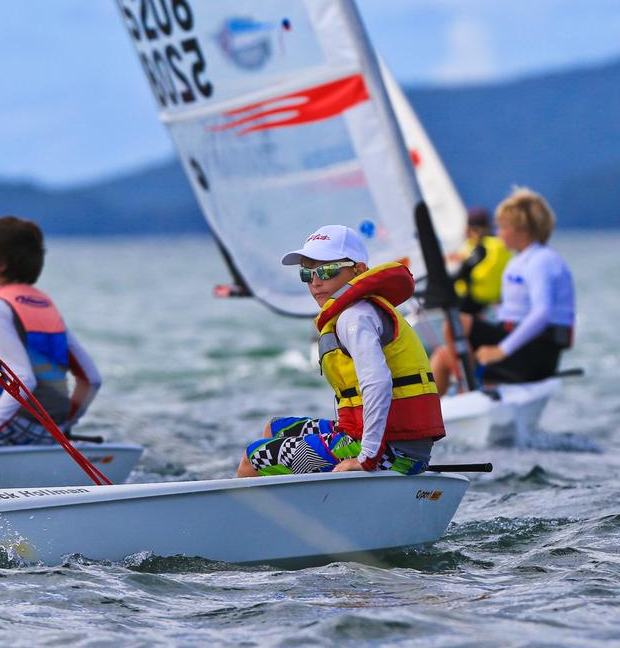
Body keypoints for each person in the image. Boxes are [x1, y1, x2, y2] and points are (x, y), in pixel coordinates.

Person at [236, 225, 444, 478]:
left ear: (359, 271)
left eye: (326, 270)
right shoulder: (357, 311)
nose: (315, 281)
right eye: (307, 273)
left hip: (392, 450)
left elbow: (377, 384)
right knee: (275, 428)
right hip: (385, 440)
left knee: (253, 458)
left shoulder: (356, 316)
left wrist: (366, 458)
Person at [0, 216, 101, 463]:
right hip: (53, 428)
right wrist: (64, 425)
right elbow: (91, 379)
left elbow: (24, 379)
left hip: (19, 428)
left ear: (2, 264)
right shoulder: (47, 306)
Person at [431, 188, 574, 393]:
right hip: (522, 351)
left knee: (456, 322)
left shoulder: (542, 260)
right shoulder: (519, 261)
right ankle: (441, 415)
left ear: (522, 230)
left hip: (537, 357)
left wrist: (500, 350)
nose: (497, 234)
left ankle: (468, 389)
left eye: (503, 227)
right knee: (441, 358)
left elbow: (542, 313)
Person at [450, 207, 511, 315]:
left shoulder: (480, 247)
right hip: (500, 299)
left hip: (476, 300)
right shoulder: (502, 244)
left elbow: (463, 271)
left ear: (471, 229)